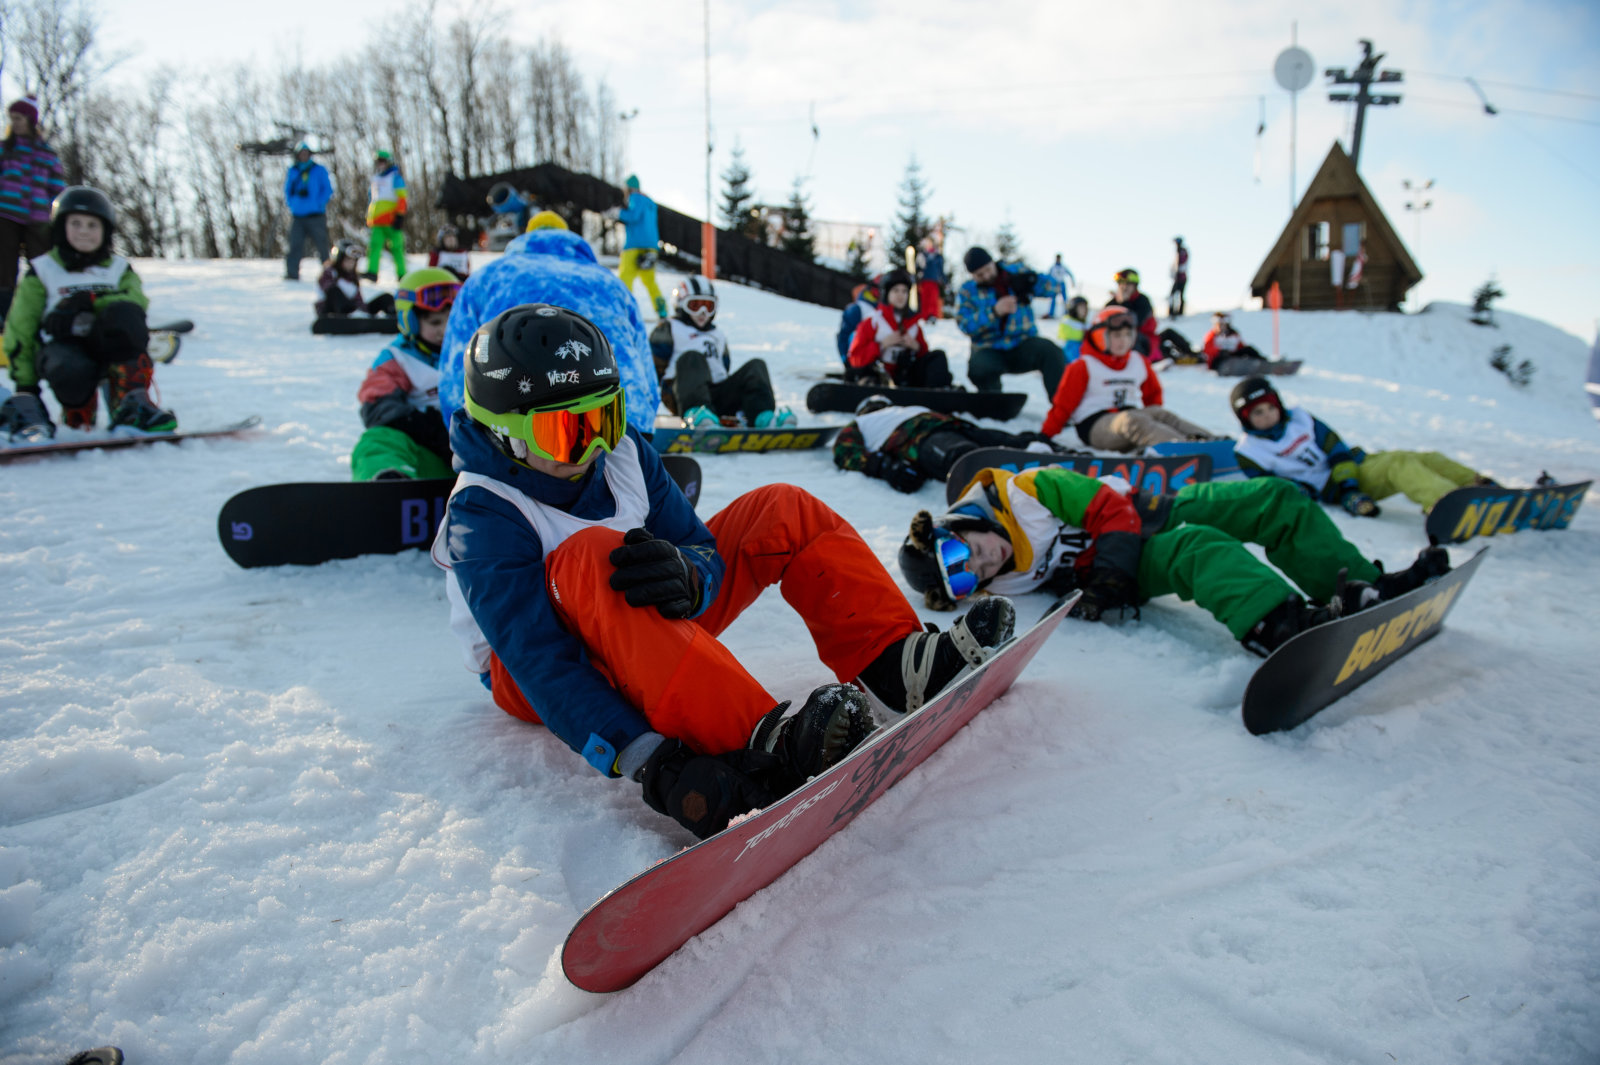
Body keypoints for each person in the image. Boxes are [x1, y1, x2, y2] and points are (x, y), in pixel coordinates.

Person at [432, 303, 1017, 839]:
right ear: (505, 431)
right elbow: (537, 659)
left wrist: (689, 576)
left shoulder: (625, 454)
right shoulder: (484, 512)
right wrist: (649, 759)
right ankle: (758, 743)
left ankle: (894, 660)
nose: (592, 449)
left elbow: (699, 546)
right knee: (592, 553)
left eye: (604, 419)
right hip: (537, 676)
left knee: (782, 509)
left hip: (640, 627)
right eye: (567, 431)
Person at [898, 463, 1451, 659]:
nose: (982, 562)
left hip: (1144, 516)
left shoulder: (1027, 492)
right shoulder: (1000, 580)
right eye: (969, 577)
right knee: (1199, 548)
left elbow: (1109, 507)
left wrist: (1110, 570)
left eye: (960, 551)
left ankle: (1364, 588)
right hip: (1138, 562)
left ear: (954, 523)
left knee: (1274, 498)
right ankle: (1280, 624)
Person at [436, 214, 660, 437]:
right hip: (620, 422)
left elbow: (457, 367)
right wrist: (643, 425)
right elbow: (645, 371)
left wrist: (463, 437)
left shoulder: (488, 278)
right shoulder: (610, 283)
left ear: (527, 237)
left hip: (525, 435)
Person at [0, 186, 171, 438]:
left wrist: (90, 300)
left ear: (105, 230)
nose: (84, 232)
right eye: (76, 223)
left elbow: (136, 300)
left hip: (112, 350)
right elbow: (21, 328)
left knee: (126, 315)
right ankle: (78, 414)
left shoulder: (119, 269)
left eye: (92, 225)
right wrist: (27, 387)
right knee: (70, 367)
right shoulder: (43, 270)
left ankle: (130, 405)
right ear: (61, 227)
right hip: (64, 356)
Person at [1230, 376, 1496, 516]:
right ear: (1246, 419)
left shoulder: (1301, 418)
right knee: (1398, 465)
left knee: (1421, 458)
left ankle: (1478, 484)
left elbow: (1335, 447)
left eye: (1269, 408)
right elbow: (1273, 487)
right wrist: (1338, 493)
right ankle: (1447, 504)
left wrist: (1350, 484)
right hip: (1329, 487)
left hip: (1351, 470)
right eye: (1257, 413)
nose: (1266, 416)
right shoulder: (1249, 452)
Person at [1041, 306, 1217, 451]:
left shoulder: (1137, 361)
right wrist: (1045, 436)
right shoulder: (1083, 366)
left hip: (1131, 416)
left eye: (1127, 335)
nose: (1123, 341)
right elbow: (1063, 405)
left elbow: (1153, 396)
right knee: (1131, 421)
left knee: (1161, 414)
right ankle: (1183, 449)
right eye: (1116, 335)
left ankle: (1213, 442)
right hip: (1095, 426)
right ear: (1100, 336)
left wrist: (1154, 421)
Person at [351, 267, 460, 481]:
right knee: (378, 439)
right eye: (435, 322)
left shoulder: (473, 351)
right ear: (409, 320)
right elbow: (379, 406)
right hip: (429, 459)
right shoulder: (397, 359)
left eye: (451, 320)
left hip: (475, 460)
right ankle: (390, 482)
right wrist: (424, 426)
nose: (445, 329)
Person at [833, 394, 1068, 493]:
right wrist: (884, 467)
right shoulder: (861, 422)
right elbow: (844, 450)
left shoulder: (904, 408)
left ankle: (1055, 453)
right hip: (920, 439)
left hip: (951, 426)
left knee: (1008, 440)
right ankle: (1025, 476)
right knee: (965, 458)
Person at [650, 274, 795, 427]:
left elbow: (723, 368)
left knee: (756, 366)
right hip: (683, 395)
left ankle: (763, 417)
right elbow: (653, 367)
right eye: (695, 306)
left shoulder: (717, 335)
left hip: (718, 396)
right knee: (692, 357)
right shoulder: (670, 328)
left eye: (708, 306)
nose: (703, 312)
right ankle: (698, 416)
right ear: (681, 305)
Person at [956, 246, 1066, 397]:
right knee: (979, 367)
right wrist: (994, 312)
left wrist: (1031, 280)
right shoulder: (967, 291)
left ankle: (1062, 407)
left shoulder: (1016, 271)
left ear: (993, 262)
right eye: (980, 275)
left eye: (988, 270)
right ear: (972, 275)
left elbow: (1055, 288)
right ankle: (993, 402)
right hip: (989, 348)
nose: (986, 276)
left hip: (1022, 344)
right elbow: (964, 325)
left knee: (1052, 352)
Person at [0, 96, 65, 321]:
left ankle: (41, 311)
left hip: (38, 218)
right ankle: (4, 315)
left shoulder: (46, 154)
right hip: (6, 215)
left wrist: (55, 211)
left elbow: (57, 187)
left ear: (30, 120)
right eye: (12, 118)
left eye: (19, 118)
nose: (15, 123)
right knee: (4, 267)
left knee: (41, 264)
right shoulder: (4, 150)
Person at [846, 268, 953, 388]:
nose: (900, 295)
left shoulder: (913, 325)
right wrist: (882, 345)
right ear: (887, 293)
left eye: (904, 291)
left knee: (937, 357)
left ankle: (939, 395)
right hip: (879, 378)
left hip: (907, 376)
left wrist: (916, 346)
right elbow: (855, 359)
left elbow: (924, 355)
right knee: (867, 377)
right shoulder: (873, 322)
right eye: (896, 291)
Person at [608, 174, 667, 320]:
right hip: (651, 246)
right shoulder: (650, 203)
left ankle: (623, 310)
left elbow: (633, 216)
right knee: (650, 281)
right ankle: (662, 311)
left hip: (634, 245)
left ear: (628, 188)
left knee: (625, 278)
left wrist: (618, 213)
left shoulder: (634, 198)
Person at [282, 142, 332, 281]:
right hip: (298, 215)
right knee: (294, 245)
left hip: (316, 214)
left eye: (306, 153)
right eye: (301, 153)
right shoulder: (293, 171)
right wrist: (293, 205)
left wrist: (319, 203)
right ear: (297, 155)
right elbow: (287, 191)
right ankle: (292, 273)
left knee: (322, 245)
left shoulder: (319, 170)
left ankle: (329, 274)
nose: (304, 155)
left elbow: (327, 189)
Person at [316, 239, 396, 319]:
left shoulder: (352, 277)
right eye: (348, 260)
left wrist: (363, 311)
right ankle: (350, 315)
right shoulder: (330, 272)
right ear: (339, 260)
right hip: (333, 310)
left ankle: (394, 316)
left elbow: (358, 299)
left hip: (354, 310)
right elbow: (328, 289)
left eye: (353, 261)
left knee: (386, 298)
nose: (351, 263)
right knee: (334, 291)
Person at [364, 149, 407, 282]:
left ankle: (402, 274)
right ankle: (372, 272)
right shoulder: (375, 179)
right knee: (374, 247)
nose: (380, 164)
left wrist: (400, 215)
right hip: (377, 220)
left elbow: (402, 198)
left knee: (397, 248)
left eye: (383, 161)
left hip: (391, 219)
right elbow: (373, 199)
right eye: (378, 161)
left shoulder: (395, 177)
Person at [1203, 312, 1286, 375]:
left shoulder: (1233, 334)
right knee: (1225, 358)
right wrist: (1219, 351)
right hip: (1219, 360)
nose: (1221, 326)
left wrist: (1245, 351)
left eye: (1223, 324)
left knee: (1249, 349)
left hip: (1232, 356)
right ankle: (1234, 367)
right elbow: (1207, 349)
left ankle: (1266, 363)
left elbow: (1240, 346)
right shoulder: (1212, 335)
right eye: (1219, 324)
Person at [1112, 268, 1159, 356]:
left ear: (1135, 286)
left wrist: (1124, 303)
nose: (1124, 287)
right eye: (1121, 283)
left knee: (1130, 336)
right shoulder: (1112, 303)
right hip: (1118, 339)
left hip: (1144, 339)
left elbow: (1136, 321)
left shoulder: (1142, 300)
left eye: (1128, 284)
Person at [836, 276, 881, 366]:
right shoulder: (857, 309)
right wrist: (846, 360)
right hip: (858, 361)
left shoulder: (886, 308)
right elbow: (844, 335)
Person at [916, 237, 946, 320]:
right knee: (925, 299)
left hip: (934, 280)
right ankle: (925, 316)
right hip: (924, 280)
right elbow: (918, 268)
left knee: (933, 299)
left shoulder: (938, 256)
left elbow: (941, 269)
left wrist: (944, 280)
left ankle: (933, 315)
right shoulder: (922, 255)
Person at [1055, 295, 1088, 364]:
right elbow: (1067, 336)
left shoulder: (1084, 324)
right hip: (1070, 355)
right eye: (1081, 308)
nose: (1084, 310)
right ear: (1073, 308)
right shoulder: (1067, 321)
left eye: (1085, 307)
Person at [1044, 254, 1075, 319]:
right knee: (1053, 299)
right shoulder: (1053, 267)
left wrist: (1072, 282)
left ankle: (1067, 313)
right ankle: (1051, 314)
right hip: (1055, 285)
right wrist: (1047, 283)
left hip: (1062, 284)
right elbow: (1048, 276)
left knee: (1065, 299)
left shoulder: (1063, 267)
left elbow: (1070, 274)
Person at [1168, 238, 1188, 317]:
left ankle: (1179, 312)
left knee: (1179, 295)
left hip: (1181, 278)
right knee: (1173, 295)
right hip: (1177, 278)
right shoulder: (1178, 251)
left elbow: (1183, 265)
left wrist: (1177, 272)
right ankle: (1172, 312)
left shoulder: (1182, 252)